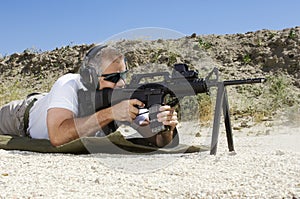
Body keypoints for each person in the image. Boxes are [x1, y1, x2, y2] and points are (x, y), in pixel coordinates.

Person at [0, 44, 178, 147]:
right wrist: (110, 113)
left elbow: (157, 140)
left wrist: (165, 128)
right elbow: (57, 136)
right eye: (113, 77)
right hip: (19, 117)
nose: (121, 83)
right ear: (91, 77)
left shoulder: (121, 96)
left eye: (123, 75)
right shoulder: (69, 83)